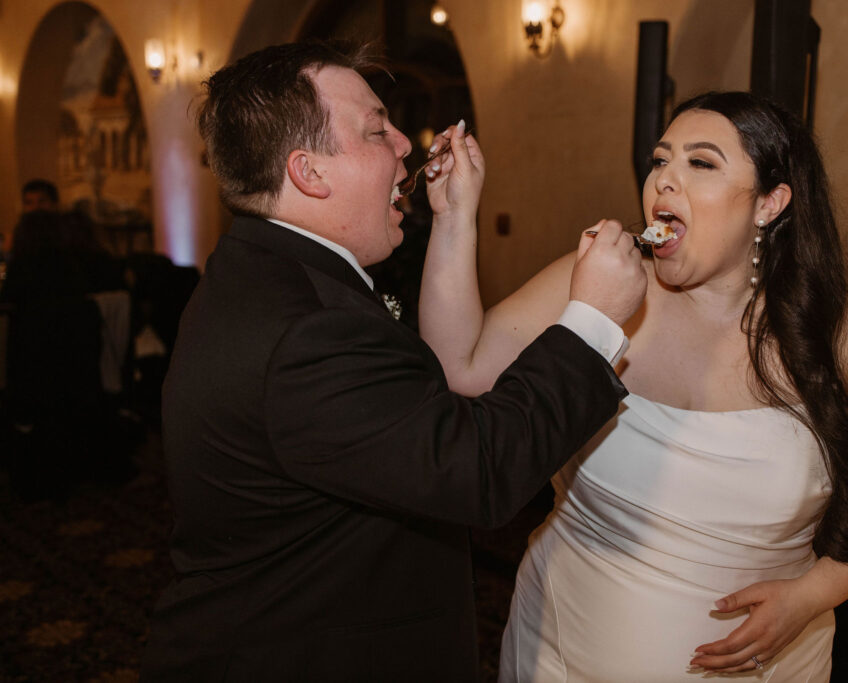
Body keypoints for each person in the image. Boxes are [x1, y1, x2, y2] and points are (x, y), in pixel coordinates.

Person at [140, 40, 647, 682]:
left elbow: (420, 399)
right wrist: (594, 321)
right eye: (377, 129)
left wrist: (456, 217)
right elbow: (477, 470)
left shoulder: (266, 272)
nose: (406, 143)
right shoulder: (306, 328)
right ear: (309, 172)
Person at [419, 91, 848, 680]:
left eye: (701, 163)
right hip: (564, 648)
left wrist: (811, 596)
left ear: (770, 203)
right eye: (661, 161)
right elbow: (460, 367)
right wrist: (455, 217)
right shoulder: (600, 288)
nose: (663, 181)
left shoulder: (847, 334)